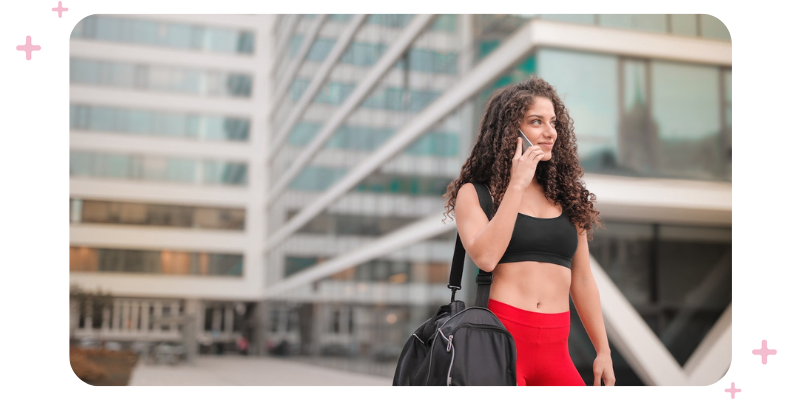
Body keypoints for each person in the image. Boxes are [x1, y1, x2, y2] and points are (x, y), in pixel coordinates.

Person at [442, 76, 615, 386]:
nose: (550, 132)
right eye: (537, 122)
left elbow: (583, 279)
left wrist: (603, 350)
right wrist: (517, 184)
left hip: (556, 350)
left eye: (553, 122)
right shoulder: (477, 194)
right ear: (512, 132)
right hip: (501, 345)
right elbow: (486, 257)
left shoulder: (566, 196)